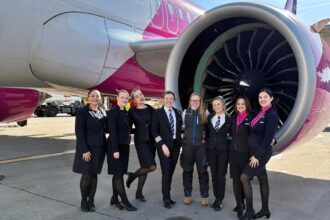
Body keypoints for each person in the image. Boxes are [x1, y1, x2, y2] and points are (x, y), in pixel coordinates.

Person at [239, 88, 279, 220]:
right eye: (260, 97)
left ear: (271, 98)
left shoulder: (271, 115)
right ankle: (265, 209)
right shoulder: (260, 113)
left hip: (260, 153)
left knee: (244, 178)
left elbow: (268, 138)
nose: (262, 99)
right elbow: (263, 133)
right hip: (254, 150)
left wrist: (257, 155)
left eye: (265, 97)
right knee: (262, 178)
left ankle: (250, 211)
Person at [72, 89, 107, 212]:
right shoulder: (83, 112)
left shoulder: (103, 112)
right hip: (87, 148)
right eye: (92, 96)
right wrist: (84, 150)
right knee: (86, 175)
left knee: (94, 175)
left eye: (97, 96)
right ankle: (83, 200)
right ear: (88, 98)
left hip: (100, 148)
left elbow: (106, 129)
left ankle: (91, 200)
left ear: (100, 98)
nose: (95, 98)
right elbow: (79, 132)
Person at [151, 91, 182, 209]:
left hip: (175, 146)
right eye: (167, 98)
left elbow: (178, 130)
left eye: (171, 99)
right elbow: (154, 131)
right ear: (163, 100)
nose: (169, 101)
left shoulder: (177, 112)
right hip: (164, 146)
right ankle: (166, 198)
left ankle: (168, 195)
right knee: (166, 171)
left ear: (173, 100)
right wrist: (162, 144)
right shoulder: (157, 112)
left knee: (171, 171)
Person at [107, 89, 137, 211]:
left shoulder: (125, 112)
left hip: (124, 146)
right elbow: (112, 132)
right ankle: (124, 201)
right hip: (115, 147)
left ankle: (115, 198)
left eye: (126, 98)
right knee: (118, 174)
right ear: (117, 98)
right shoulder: (113, 112)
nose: (124, 100)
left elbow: (127, 129)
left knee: (118, 173)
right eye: (122, 97)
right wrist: (115, 150)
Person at [126, 89, 157, 202]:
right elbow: (128, 126)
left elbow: (157, 123)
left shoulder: (150, 108)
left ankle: (138, 193)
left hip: (152, 142)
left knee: (145, 167)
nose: (140, 97)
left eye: (141, 94)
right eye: (137, 96)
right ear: (134, 100)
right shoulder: (132, 111)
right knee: (151, 167)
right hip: (141, 142)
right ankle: (133, 176)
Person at [180, 92, 209, 206]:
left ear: (200, 102)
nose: (195, 102)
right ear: (190, 101)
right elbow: (182, 127)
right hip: (187, 146)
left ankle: (205, 196)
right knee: (187, 171)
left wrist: (205, 139)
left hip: (201, 147)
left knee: (202, 172)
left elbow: (209, 130)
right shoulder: (185, 113)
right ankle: (187, 195)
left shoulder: (205, 113)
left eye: (197, 100)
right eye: (193, 100)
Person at [206, 96, 231, 211]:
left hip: (223, 151)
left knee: (221, 175)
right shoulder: (210, 117)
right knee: (214, 175)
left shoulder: (228, 118)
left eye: (218, 104)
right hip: (211, 149)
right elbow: (207, 134)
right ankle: (216, 197)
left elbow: (231, 136)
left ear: (223, 105)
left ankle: (220, 199)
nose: (216, 106)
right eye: (214, 105)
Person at [229, 97, 252, 218]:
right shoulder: (233, 118)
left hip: (245, 154)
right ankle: (239, 205)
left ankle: (248, 206)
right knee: (236, 181)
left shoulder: (251, 118)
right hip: (233, 153)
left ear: (246, 105)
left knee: (244, 180)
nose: (240, 106)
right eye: (238, 104)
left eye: (243, 104)